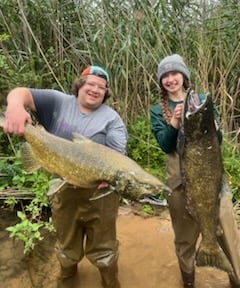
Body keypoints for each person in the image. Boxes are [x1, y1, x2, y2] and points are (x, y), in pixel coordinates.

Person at [3, 65, 127, 288]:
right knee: (66, 244)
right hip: (63, 188)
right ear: (80, 84)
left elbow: (117, 157)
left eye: (101, 87)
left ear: (106, 93)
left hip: (100, 194)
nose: (95, 89)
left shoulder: (112, 119)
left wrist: (111, 175)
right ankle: (68, 277)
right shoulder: (57, 101)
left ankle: (110, 280)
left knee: (105, 247)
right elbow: (20, 93)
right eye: (90, 83)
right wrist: (14, 106)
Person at [150, 54, 240, 288]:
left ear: (184, 76)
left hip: (211, 178)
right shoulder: (157, 111)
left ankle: (236, 278)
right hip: (178, 182)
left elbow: (216, 142)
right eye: (165, 76)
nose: (171, 79)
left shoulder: (203, 101)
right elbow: (166, 145)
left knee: (227, 232)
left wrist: (216, 128)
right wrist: (174, 122)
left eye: (175, 73)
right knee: (185, 238)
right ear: (161, 81)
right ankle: (188, 281)